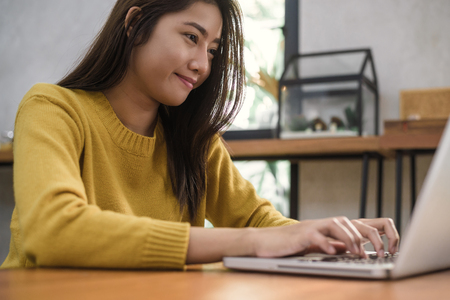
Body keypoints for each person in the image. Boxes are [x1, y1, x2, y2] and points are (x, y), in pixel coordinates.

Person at [1, 0, 398, 270]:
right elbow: (53, 230)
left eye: (212, 49)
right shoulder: (52, 108)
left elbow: (256, 221)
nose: (202, 65)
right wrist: (251, 244)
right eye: (192, 37)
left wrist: (326, 236)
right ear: (135, 24)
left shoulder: (193, 140)